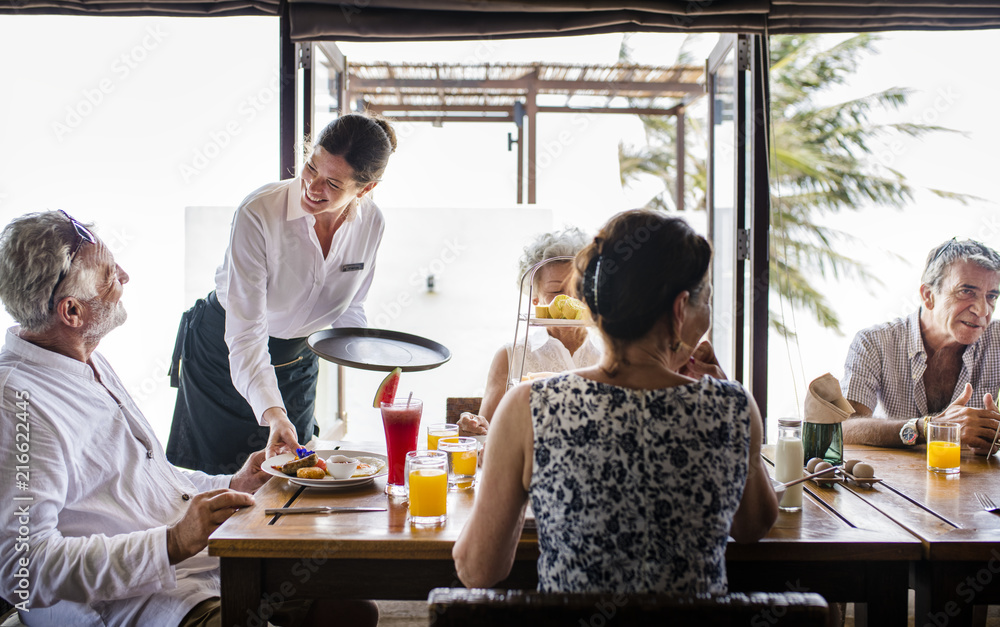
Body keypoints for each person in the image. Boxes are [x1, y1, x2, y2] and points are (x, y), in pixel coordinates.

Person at [0, 211, 377, 627]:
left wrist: (232, 484)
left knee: (350, 609)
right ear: (72, 312)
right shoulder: (15, 404)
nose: (125, 276)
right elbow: (21, 569)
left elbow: (148, 481)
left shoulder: (86, 361)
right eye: (109, 274)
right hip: (131, 601)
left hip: (196, 564)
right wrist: (171, 543)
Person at [453, 209, 777, 593]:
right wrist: (730, 408)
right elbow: (754, 527)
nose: (707, 313)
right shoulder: (731, 406)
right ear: (679, 309)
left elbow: (478, 570)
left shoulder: (529, 406)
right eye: (705, 299)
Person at [166, 112, 397, 474]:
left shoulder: (372, 223)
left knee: (298, 476)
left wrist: (374, 355)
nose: (313, 187)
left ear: (365, 189)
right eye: (310, 168)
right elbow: (246, 333)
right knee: (223, 483)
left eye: (333, 184)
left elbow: (351, 305)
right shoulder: (259, 212)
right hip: (224, 356)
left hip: (298, 360)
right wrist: (273, 414)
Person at [841, 238, 1000, 454]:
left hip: (977, 484)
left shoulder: (997, 338)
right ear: (928, 296)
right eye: (966, 291)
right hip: (894, 483)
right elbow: (845, 428)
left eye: (991, 296)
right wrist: (927, 428)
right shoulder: (874, 342)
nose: (983, 311)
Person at [459, 228, 601, 437]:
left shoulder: (610, 354)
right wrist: (473, 427)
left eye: (578, 289)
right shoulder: (510, 357)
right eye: (556, 291)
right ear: (535, 297)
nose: (570, 301)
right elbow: (485, 435)